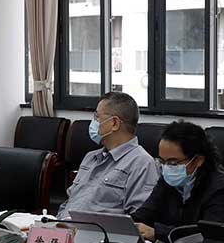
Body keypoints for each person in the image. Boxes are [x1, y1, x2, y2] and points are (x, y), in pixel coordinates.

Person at [132, 120, 224, 243]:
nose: (166, 168)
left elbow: (208, 237)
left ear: (198, 160)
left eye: (173, 162)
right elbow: (145, 213)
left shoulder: (222, 190)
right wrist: (128, 224)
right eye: (162, 161)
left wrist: (157, 233)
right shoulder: (168, 179)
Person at [58, 92, 159, 220]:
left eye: (97, 117)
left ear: (114, 123)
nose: (93, 122)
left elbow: (139, 220)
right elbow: (70, 202)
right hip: (64, 227)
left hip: (96, 232)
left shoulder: (142, 163)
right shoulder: (91, 157)